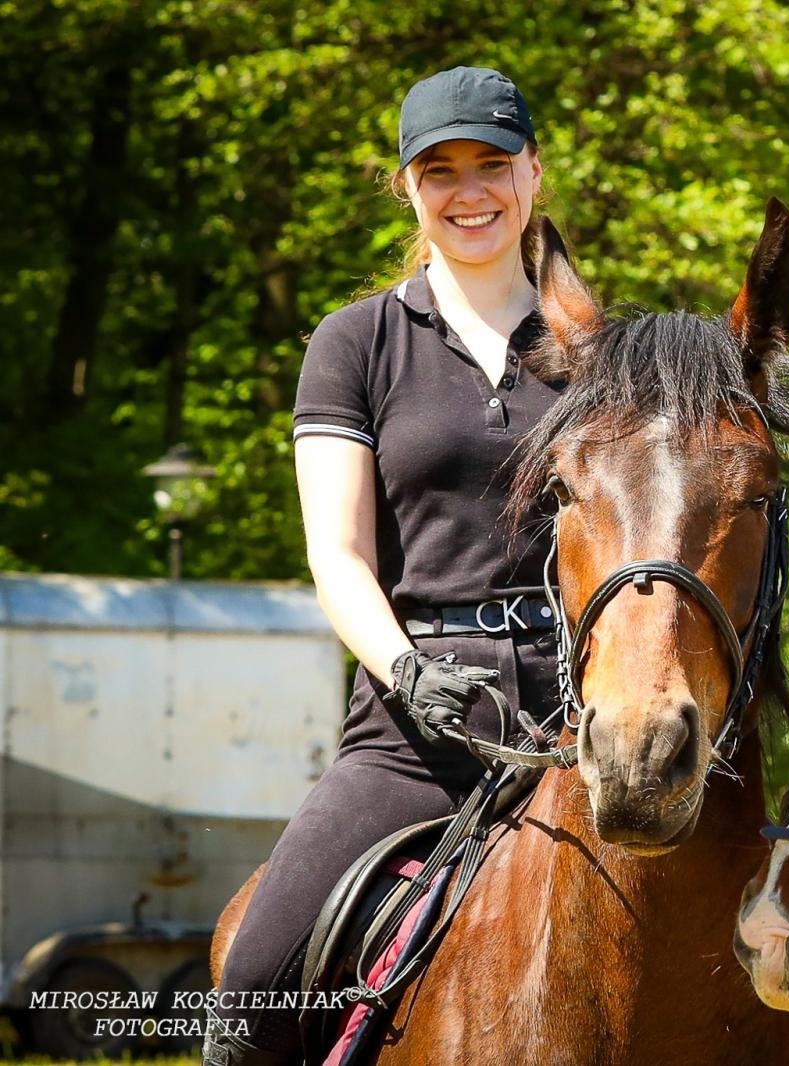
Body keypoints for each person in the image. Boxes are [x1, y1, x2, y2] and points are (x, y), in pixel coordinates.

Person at [205, 66, 563, 1066]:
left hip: (585, 716)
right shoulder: (353, 342)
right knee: (254, 985)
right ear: (406, 186)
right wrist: (406, 669)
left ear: (533, 172)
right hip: (415, 727)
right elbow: (338, 553)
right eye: (440, 170)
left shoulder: (602, 348)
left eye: (492, 163)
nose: (469, 191)